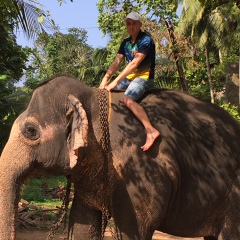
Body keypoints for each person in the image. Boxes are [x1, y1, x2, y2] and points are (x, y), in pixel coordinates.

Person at [99, 12, 160, 151]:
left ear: (140, 24)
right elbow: (117, 62)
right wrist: (105, 79)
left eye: (134, 23)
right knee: (104, 91)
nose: (131, 26)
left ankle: (151, 130)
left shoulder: (146, 40)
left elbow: (134, 64)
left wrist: (114, 82)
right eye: (128, 24)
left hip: (144, 79)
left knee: (127, 99)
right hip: (129, 79)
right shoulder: (125, 43)